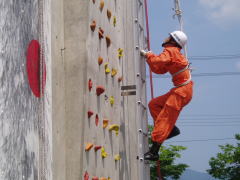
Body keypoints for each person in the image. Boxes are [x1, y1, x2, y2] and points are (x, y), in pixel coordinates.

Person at [140, 31, 194, 161]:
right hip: (181, 90)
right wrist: (149, 58)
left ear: (172, 40)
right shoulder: (173, 52)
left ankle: (154, 152)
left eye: (168, 36)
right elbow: (159, 69)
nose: (165, 37)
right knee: (154, 104)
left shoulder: (171, 50)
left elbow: (159, 61)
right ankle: (170, 130)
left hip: (181, 91)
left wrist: (150, 55)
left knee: (165, 118)